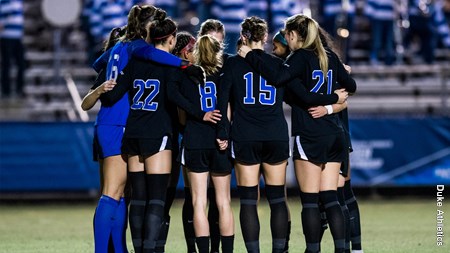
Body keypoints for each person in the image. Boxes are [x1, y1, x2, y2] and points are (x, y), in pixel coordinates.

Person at [81, 5, 204, 253]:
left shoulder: (119, 47)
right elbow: (159, 56)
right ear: (148, 25)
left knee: (123, 194)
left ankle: (118, 248)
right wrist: (185, 65)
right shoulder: (138, 46)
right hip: (118, 121)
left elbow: (97, 63)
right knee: (112, 192)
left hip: (110, 120)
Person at [238, 14, 356, 253]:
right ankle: (343, 250)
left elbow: (282, 79)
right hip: (334, 133)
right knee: (332, 198)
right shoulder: (330, 56)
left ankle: (313, 250)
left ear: (293, 35)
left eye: (287, 36)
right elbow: (351, 87)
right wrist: (332, 104)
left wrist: (250, 55)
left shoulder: (300, 57)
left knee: (311, 202)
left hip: (310, 133)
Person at [178, 34, 235, 253]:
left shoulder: (187, 76)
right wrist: (224, 135)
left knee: (198, 203)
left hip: (195, 140)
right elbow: (227, 110)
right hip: (219, 141)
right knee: (223, 202)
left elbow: (181, 113)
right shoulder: (224, 74)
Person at [0, 0, 25, 99]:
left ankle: (20, 89)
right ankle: (6, 91)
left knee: (21, 64)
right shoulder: (3, 1)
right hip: (6, 37)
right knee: (6, 65)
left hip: (18, 37)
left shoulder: (18, 2)